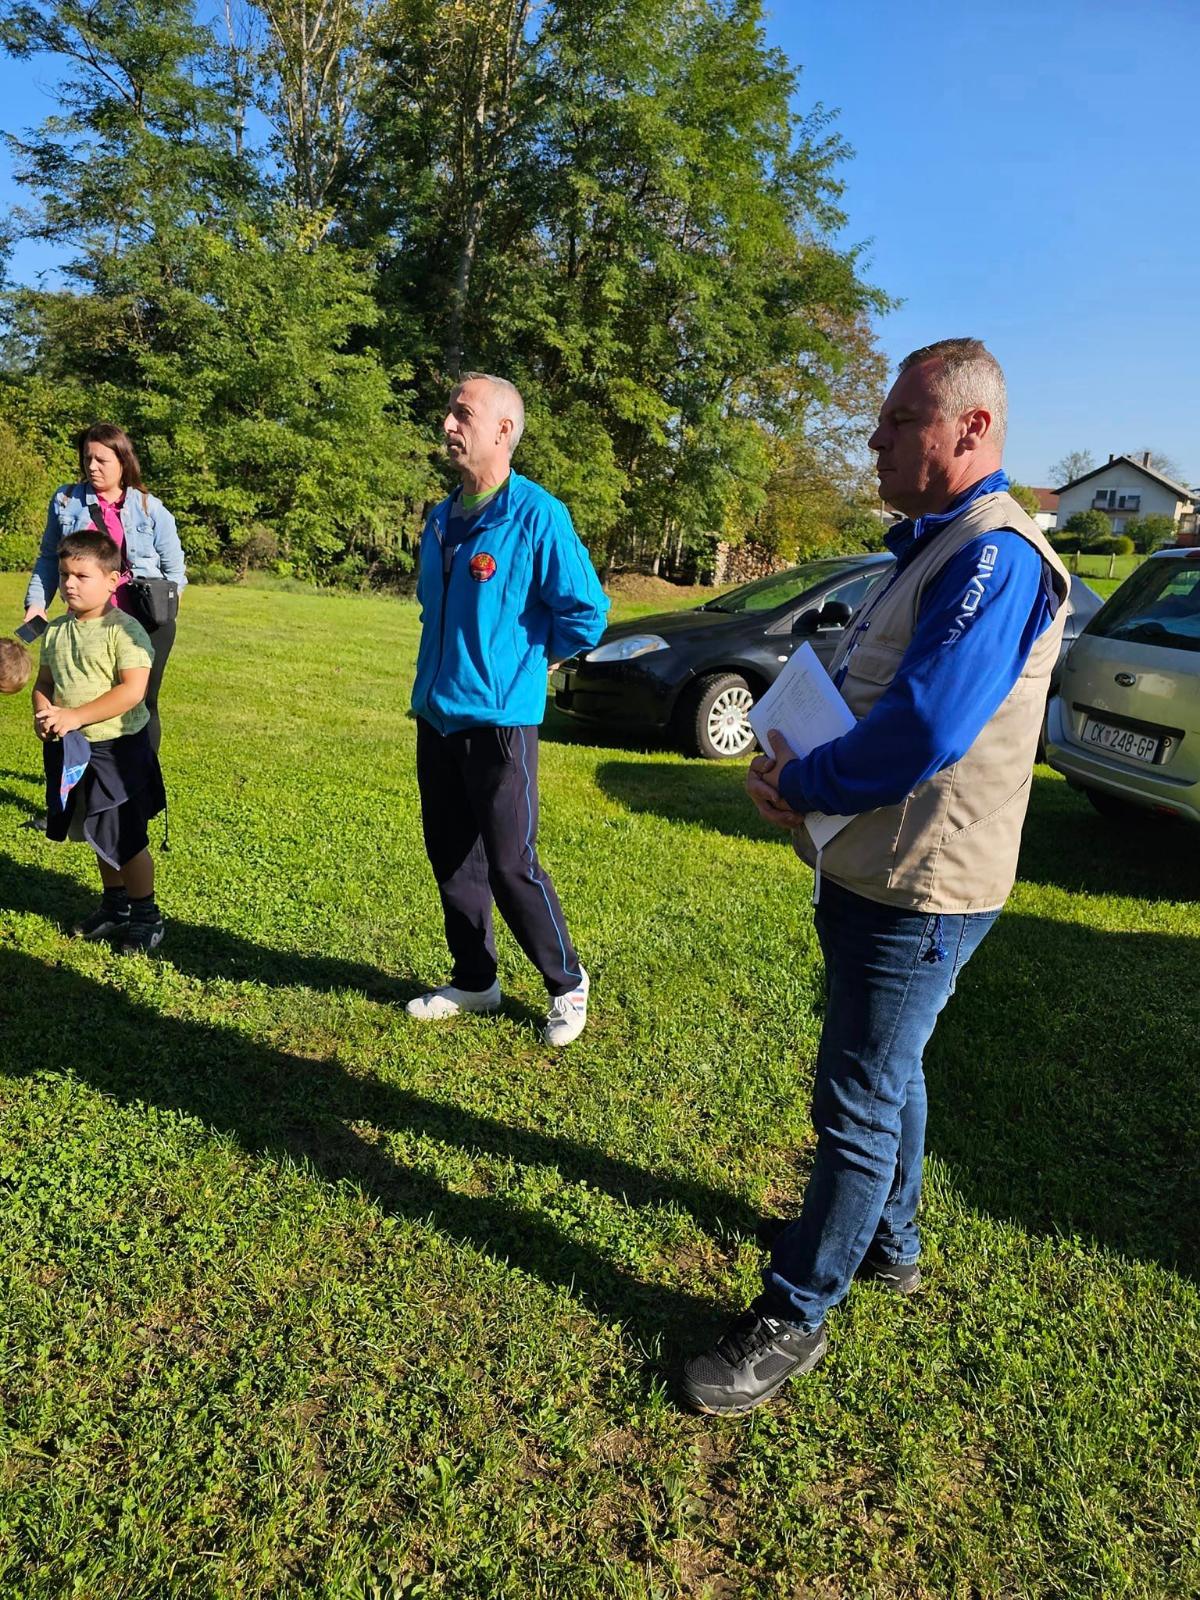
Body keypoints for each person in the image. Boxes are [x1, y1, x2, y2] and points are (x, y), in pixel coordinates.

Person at [681, 338, 1071, 1415]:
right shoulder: (936, 544)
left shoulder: (995, 557)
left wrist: (809, 780)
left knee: (854, 1098)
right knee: (890, 1068)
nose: (874, 437)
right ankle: (890, 1243)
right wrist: (794, 771)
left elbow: (925, 728)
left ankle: (796, 1312)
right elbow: (881, 694)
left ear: (971, 429)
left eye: (901, 420)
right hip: (884, 867)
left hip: (921, 884)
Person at [407, 372, 609, 1047]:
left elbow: (586, 613)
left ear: (503, 430)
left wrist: (532, 662)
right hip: (438, 715)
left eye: (462, 413)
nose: (448, 424)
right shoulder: (442, 518)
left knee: (509, 863)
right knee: (451, 858)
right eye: (449, 411)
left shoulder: (537, 515)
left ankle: (566, 982)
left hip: (500, 723)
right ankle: (475, 981)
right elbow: (433, 607)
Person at [32, 529, 167, 954]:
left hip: (118, 752)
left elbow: (133, 691)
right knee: (96, 829)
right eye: (64, 575)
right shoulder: (55, 631)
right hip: (74, 751)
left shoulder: (124, 630)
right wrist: (43, 713)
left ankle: (146, 916)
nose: (69, 584)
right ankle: (116, 906)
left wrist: (74, 716)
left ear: (111, 581)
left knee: (126, 837)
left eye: (81, 576)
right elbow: (44, 683)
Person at [24, 423, 186, 753]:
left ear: (123, 462)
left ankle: (141, 772)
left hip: (144, 621)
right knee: (76, 695)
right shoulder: (66, 501)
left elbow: (175, 571)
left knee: (143, 699)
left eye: (102, 460)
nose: (92, 467)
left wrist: (163, 611)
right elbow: (48, 557)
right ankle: (81, 768)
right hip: (88, 621)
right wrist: (37, 603)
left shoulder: (149, 507)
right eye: (87, 458)